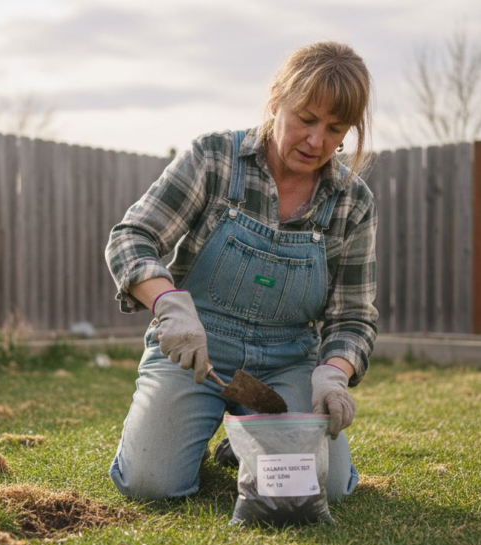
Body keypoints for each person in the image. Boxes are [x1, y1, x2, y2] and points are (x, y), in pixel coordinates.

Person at [104, 41, 378, 502]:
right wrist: (169, 303)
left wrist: (332, 373)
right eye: (306, 119)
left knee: (321, 487)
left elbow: (353, 315)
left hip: (288, 361)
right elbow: (131, 237)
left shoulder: (352, 200)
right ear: (276, 99)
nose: (317, 142)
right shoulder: (214, 159)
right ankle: (208, 431)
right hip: (197, 351)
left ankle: (245, 441)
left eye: (336, 129)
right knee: (151, 484)